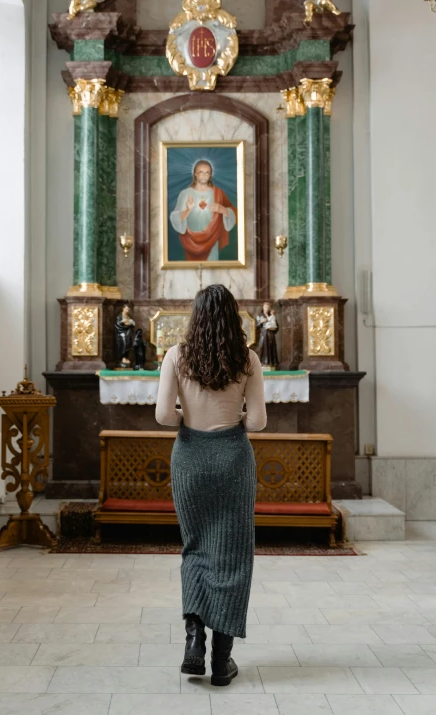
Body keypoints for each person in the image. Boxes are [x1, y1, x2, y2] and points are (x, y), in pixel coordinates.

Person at [156, 284, 266, 686]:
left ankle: (192, 645)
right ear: (233, 316)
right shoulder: (248, 359)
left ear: (195, 316)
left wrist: (190, 412)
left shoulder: (175, 356)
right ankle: (222, 660)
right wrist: (229, 415)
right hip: (233, 460)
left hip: (190, 460)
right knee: (233, 555)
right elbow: (256, 423)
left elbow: (163, 415)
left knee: (196, 549)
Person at [169, 160, 237, 262]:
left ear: (210, 175)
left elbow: (234, 213)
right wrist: (188, 210)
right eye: (201, 172)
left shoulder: (218, 193)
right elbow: (175, 218)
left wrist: (222, 209)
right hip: (191, 242)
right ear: (195, 174)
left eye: (207, 172)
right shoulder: (185, 193)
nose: (204, 175)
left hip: (212, 240)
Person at [256, 302, 279, 368]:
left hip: (270, 335)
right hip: (263, 335)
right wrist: (261, 322)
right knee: (262, 348)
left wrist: (272, 328)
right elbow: (256, 326)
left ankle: (271, 363)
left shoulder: (272, 316)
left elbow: (277, 327)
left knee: (271, 348)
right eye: (265, 307)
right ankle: (263, 363)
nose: (266, 308)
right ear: (263, 307)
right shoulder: (260, 316)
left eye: (268, 307)